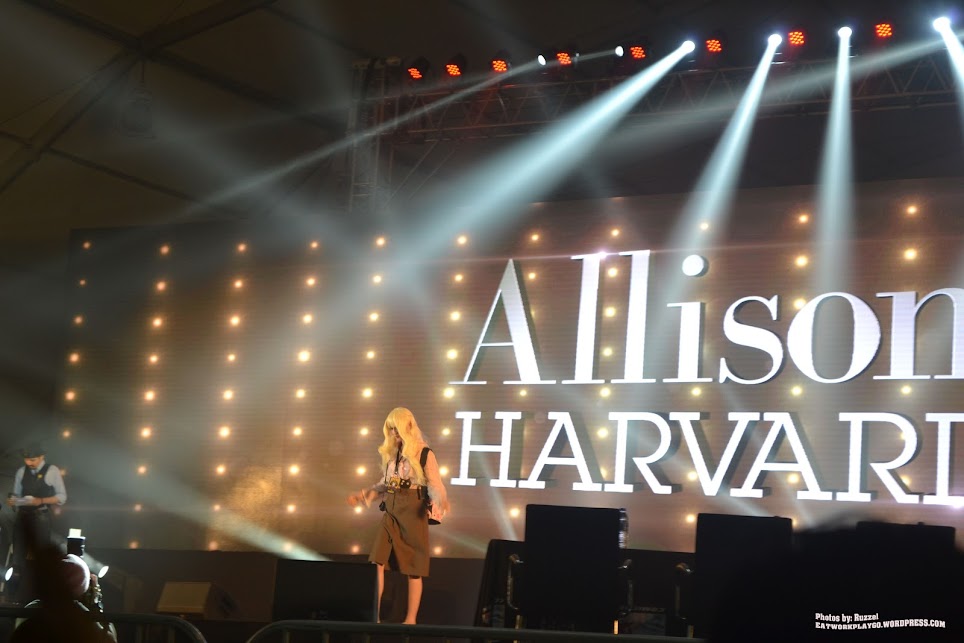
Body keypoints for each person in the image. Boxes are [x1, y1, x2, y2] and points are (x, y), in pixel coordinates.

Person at [347, 407, 450, 624]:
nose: (394, 433)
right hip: (392, 510)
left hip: (413, 510)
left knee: (414, 567)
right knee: (377, 560)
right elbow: (385, 483)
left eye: (397, 428)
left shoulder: (424, 453)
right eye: (391, 429)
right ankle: (374, 616)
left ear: (408, 426)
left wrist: (440, 500)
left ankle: (411, 619)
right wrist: (363, 495)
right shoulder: (393, 454)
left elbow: (435, 484)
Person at [5, 442, 67, 599]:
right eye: (26, 459)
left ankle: (41, 595)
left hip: (40, 516)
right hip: (23, 516)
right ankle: (13, 595)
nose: (29, 463)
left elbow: (62, 497)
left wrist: (40, 500)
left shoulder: (52, 471)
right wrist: (13, 501)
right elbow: (16, 494)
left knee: (41, 556)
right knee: (18, 556)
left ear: (41, 457)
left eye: (32, 460)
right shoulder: (21, 471)